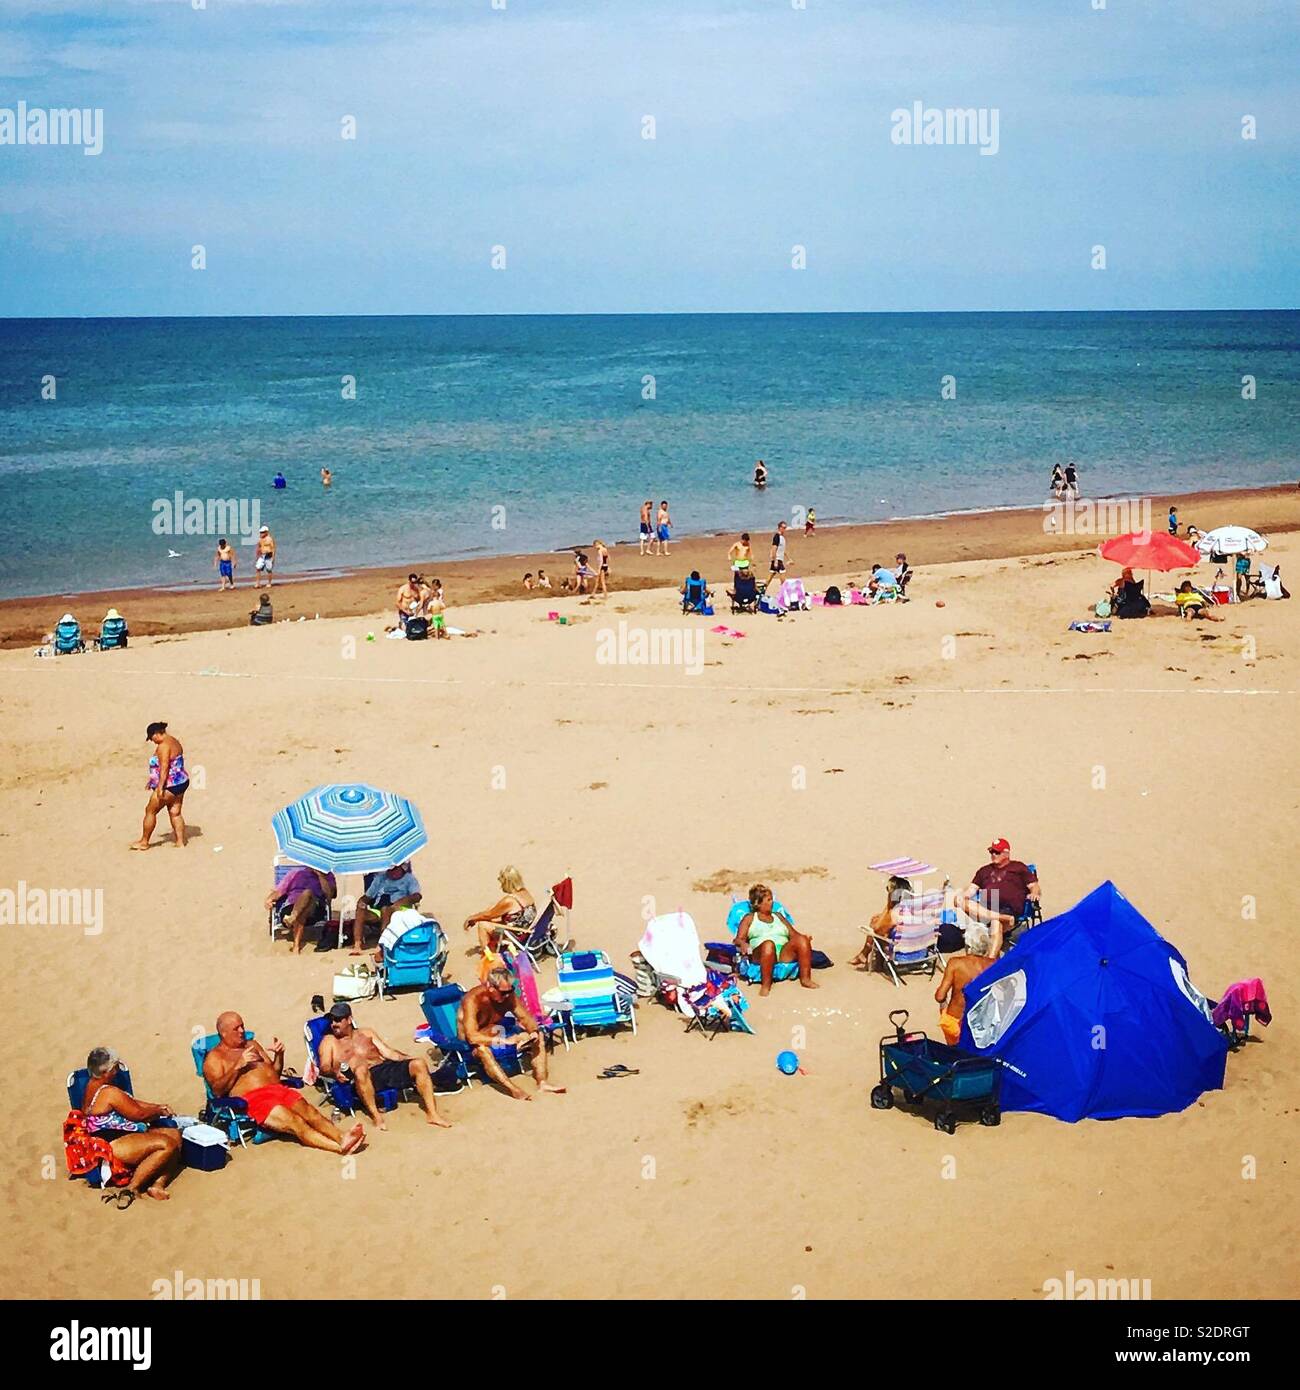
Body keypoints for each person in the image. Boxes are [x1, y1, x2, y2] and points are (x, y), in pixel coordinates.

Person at [203, 1012, 364, 1153]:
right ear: (223, 1033)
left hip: (277, 1089)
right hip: (255, 1100)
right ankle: (338, 1147)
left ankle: (341, 1136)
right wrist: (238, 1066)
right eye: (236, 1028)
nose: (242, 1031)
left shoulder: (252, 1045)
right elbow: (217, 1091)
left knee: (310, 1112)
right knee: (296, 1122)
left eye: (242, 1026)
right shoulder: (215, 1058)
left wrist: (279, 1056)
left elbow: (274, 1073)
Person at [69, 1046, 184, 1205]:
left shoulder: (94, 1085)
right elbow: (139, 1115)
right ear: (106, 1072)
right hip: (112, 1143)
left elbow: (129, 1102)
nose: (117, 1071)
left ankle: (157, 1184)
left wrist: (157, 1106)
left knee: (175, 1135)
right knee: (167, 1145)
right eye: (114, 1067)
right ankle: (132, 1188)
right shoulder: (109, 1092)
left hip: (122, 1135)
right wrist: (158, 1110)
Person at [318, 1002, 451, 1131]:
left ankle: (433, 1114)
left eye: (338, 1019)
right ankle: (377, 1117)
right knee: (361, 1070)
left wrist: (408, 1059)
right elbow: (324, 1067)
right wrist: (335, 1073)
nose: (333, 1024)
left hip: (383, 1069)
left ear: (349, 1019)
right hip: (359, 1079)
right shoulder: (329, 1041)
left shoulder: (366, 1033)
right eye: (332, 1020)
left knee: (419, 1063)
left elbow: (388, 1053)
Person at [458, 966, 565, 1100]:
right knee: (482, 1050)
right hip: (471, 1045)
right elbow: (472, 1037)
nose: (508, 995)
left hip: (497, 1033)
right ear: (490, 987)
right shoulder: (472, 1000)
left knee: (538, 1036)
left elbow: (526, 1018)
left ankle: (542, 1082)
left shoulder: (508, 996)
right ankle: (513, 1090)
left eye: (510, 990)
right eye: (503, 992)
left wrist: (533, 1032)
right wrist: (506, 1041)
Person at [957, 839, 1039, 955]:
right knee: (959, 900)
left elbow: (1034, 886)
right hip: (986, 910)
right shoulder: (984, 871)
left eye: (997, 852)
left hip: (1008, 909)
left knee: (996, 923)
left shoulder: (1018, 867)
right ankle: (1001, 917)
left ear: (1007, 854)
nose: (993, 855)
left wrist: (1034, 893)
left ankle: (990, 961)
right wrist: (962, 897)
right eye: (992, 852)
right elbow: (971, 890)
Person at [734, 883, 816, 995]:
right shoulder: (749, 918)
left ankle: (806, 979)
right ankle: (766, 986)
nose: (772, 902)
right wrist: (743, 944)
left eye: (771, 899)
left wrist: (804, 939)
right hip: (761, 953)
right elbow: (738, 939)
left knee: (801, 940)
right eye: (768, 900)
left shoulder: (778, 916)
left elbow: (793, 934)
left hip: (782, 953)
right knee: (769, 944)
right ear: (758, 903)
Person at [130, 722, 188, 850]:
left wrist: (160, 787)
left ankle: (144, 842)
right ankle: (180, 842)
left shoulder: (164, 746)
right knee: (175, 812)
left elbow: (165, 767)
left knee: (150, 810)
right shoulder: (174, 741)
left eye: (152, 738)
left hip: (169, 785)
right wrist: (152, 780)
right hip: (181, 781)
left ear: (156, 734)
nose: (152, 741)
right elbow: (174, 764)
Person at [934, 925, 996, 1045]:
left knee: (943, 1002)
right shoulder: (993, 965)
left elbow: (940, 997)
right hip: (981, 1023)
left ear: (968, 945)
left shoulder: (955, 963)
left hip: (956, 1021)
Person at [463, 865, 536, 955]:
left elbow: (488, 915)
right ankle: (492, 948)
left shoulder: (510, 900)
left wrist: (472, 918)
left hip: (518, 934)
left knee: (483, 925)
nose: (501, 886)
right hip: (526, 929)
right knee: (491, 909)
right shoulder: (525, 892)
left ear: (507, 883)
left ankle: (490, 957)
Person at [351, 862, 422, 954]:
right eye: (389, 869)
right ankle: (357, 944)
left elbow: (417, 896)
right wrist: (362, 902)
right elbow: (368, 896)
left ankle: (381, 945)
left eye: (394, 869)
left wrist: (401, 901)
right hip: (378, 909)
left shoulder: (409, 879)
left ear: (401, 868)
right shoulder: (380, 878)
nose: (391, 872)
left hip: (400, 909)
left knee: (386, 910)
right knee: (361, 911)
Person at [266, 863, 337, 954]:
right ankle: (296, 944)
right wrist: (269, 899)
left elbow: (329, 895)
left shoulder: (328, 876)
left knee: (308, 893)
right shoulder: (294, 874)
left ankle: (293, 920)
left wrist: (321, 876)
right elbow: (279, 892)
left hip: (315, 909)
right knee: (303, 911)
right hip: (291, 907)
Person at [850, 874, 913, 969]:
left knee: (875, 929)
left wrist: (888, 906)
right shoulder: (911, 908)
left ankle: (865, 954)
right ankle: (863, 955)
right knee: (876, 920)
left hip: (900, 953)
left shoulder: (893, 914)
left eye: (888, 889)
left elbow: (876, 930)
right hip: (916, 949)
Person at [769, 520, 788, 586]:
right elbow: (774, 548)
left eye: (785, 528)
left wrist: (789, 558)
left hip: (779, 559)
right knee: (783, 578)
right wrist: (775, 560)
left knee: (770, 576)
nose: (784, 529)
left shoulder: (782, 538)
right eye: (783, 527)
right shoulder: (777, 537)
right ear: (779, 528)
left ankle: (762, 591)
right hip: (778, 560)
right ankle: (783, 593)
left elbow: (783, 550)